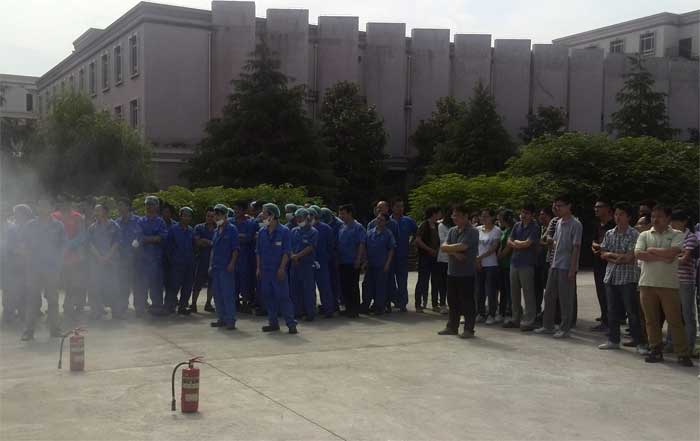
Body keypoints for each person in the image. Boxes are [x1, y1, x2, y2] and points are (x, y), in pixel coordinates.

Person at [635, 205, 693, 366]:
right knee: (651, 320)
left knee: (675, 321)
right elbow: (638, 254)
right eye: (653, 216)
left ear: (668, 218)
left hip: (669, 285)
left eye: (659, 216)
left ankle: (682, 353)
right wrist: (664, 256)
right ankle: (655, 349)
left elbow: (673, 252)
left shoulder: (677, 234)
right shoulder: (644, 235)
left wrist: (652, 250)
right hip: (647, 283)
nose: (655, 219)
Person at [597, 202, 646, 354]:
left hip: (628, 278)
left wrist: (611, 255)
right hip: (611, 276)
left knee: (632, 312)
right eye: (616, 214)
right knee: (612, 310)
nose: (618, 217)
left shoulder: (634, 234)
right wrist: (616, 256)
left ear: (629, 217)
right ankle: (613, 340)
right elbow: (602, 253)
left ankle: (639, 343)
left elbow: (629, 258)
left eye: (621, 214)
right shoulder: (609, 233)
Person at [536, 195, 582, 338]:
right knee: (549, 295)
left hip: (566, 266)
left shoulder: (576, 224)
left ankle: (565, 328)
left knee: (565, 298)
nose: (557, 208)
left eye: (560, 205)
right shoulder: (559, 222)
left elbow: (576, 247)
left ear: (569, 206)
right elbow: (555, 243)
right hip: (555, 263)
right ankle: (547, 325)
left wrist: (572, 269)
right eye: (556, 205)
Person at [20, 198, 66, 341]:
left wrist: (58, 264)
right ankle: (28, 331)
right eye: (41, 206)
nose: (44, 208)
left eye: (46, 206)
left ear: (51, 208)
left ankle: (55, 330)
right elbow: (24, 244)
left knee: (53, 300)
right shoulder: (30, 225)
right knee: (32, 300)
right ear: (37, 208)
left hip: (52, 269)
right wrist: (28, 260)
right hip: (34, 268)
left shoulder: (58, 226)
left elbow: (63, 246)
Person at [437, 204, 479, 338]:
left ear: (466, 216)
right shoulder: (452, 230)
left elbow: (463, 246)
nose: (454, 218)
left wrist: (450, 249)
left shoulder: (472, 231)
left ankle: (469, 329)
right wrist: (455, 253)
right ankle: (452, 327)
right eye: (453, 215)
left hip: (466, 272)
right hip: (452, 271)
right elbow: (443, 247)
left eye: (457, 215)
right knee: (452, 301)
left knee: (467, 301)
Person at [256, 203, 297, 333]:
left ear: (272, 215)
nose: (262, 215)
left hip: (278, 269)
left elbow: (286, 251)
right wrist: (258, 268)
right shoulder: (262, 232)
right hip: (265, 270)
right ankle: (273, 323)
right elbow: (258, 252)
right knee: (268, 297)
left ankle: (291, 324)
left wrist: (282, 268)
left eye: (264, 213)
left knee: (283, 297)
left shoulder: (284, 231)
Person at [667, 209, 698, 358]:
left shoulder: (690, 237)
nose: (672, 224)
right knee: (672, 313)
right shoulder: (672, 236)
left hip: (686, 281)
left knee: (687, 314)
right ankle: (671, 343)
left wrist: (670, 256)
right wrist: (673, 255)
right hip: (672, 279)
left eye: (675, 221)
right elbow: (670, 254)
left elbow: (684, 259)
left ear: (684, 222)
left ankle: (689, 346)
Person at [506, 204, 540, 331]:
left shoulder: (535, 227)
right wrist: (517, 243)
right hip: (514, 262)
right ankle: (516, 318)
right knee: (514, 292)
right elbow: (509, 241)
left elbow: (527, 243)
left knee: (528, 293)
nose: (523, 215)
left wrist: (516, 243)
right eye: (522, 212)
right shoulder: (517, 225)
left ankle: (529, 320)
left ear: (532, 215)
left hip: (527, 263)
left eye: (526, 213)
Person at [52, 198, 86, 317]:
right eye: (61, 203)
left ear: (70, 204)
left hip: (73, 256)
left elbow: (82, 235)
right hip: (56, 257)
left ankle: (68, 307)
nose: (64, 205)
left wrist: (70, 244)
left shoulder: (77, 217)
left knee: (71, 284)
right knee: (53, 284)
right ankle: (53, 308)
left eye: (66, 203)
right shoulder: (54, 216)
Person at [87, 204, 121, 319]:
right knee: (96, 287)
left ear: (105, 212)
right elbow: (90, 244)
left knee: (113, 286)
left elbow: (116, 243)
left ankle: (116, 311)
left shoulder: (114, 225)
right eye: (95, 210)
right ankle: (97, 311)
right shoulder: (92, 227)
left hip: (111, 262)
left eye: (98, 210)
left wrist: (107, 257)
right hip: (97, 262)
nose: (95, 213)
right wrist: (99, 257)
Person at [209, 204, 239, 330]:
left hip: (226, 267)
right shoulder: (216, 231)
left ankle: (230, 320)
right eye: (215, 215)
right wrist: (210, 265)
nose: (216, 217)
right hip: (216, 267)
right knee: (217, 294)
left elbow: (235, 249)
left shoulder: (231, 229)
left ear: (225, 215)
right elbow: (213, 250)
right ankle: (221, 318)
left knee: (227, 294)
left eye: (219, 215)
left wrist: (232, 263)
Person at [2, 204, 33, 322]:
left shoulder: (32, 227)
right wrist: (19, 251)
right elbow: (9, 245)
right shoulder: (12, 228)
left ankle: (22, 312)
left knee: (25, 289)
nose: (16, 216)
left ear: (26, 214)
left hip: (27, 263)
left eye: (19, 213)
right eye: (15, 214)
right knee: (10, 289)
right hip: (12, 263)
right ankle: (8, 313)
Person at [138, 196, 168, 314]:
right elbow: (138, 237)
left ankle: (157, 307)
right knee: (142, 284)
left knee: (156, 285)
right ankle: (142, 307)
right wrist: (154, 238)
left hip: (156, 259)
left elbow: (162, 237)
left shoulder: (160, 221)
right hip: (143, 259)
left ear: (157, 206)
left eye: (151, 204)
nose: (148, 207)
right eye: (147, 204)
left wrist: (147, 239)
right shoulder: (141, 221)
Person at [164, 207, 196, 316]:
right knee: (173, 286)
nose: (186, 218)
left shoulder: (191, 230)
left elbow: (194, 246)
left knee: (187, 286)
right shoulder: (173, 230)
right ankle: (169, 306)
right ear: (180, 216)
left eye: (189, 216)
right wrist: (172, 261)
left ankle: (183, 306)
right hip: (176, 264)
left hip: (189, 263)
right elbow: (168, 248)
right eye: (184, 215)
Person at [337, 204, 366, 318]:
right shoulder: (342, 227)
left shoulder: (358, 227)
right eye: (340, 214)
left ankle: (355, 309)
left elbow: (361, 244)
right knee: (344, 286)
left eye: (343, 214)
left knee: (353, 286)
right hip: (343, 261)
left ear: (350, 213)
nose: (341, 216)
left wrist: (358, 259)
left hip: (353, 261)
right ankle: (348, 307)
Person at [363, 213, 396, 315]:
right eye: (378, 219)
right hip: (370, 264)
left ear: (386, 222)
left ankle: (379, 307)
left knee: (380, 287)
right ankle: (365, 306)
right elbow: (365, 247)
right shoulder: (369, 233)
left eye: (381, 220)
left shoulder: (388, 234)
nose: (379, 221)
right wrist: (365, 261)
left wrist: (387, 263)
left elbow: (391, 249)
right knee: (367, 286)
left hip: (381, 264)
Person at [591, 199, 615, 332]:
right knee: (601, 292)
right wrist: (595, 246)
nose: (596, 209)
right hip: (598, 262)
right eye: (595, 207)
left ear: (607, 208)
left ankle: (612, 322)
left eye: (599, 207)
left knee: (610, 294)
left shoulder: (613, 225)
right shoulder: (598, 225)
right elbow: (594, 241)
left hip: (611, 263)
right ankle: (605, 319)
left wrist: (601, 247)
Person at [115, 198, 143, 316]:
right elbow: (114, 239)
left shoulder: (138, 220)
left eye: (122, 205)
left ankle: (139, 307)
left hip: (136, 258)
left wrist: (138, 241)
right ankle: (122, 306)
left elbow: (142, 234)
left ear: (128, 207)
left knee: (137, 284)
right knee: (123, 283)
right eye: (119, 206)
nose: (120, 208)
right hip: (122, 259)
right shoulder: (117, 222)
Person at [290, 208, 319, 321]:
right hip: (294, 264)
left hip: (306, 264)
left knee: (308, 290)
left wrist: (298, 256)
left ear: (307, 218)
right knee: (295, 289)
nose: (298, 220)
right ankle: (297, 311)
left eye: (300, 218)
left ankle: (310, 313)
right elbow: (289, 245)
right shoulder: (294, 231)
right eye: (297, 218)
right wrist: (293, 256)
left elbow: (310, 247)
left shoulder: (313, 232)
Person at [389, 198, 417, 312]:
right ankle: (395, 299)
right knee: (390, 281)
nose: (400, 209)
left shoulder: (408, 221)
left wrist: (412, 242)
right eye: (397, 206)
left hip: (403, 254)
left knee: (402, 281)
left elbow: (417, 233)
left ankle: (402, 303)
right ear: (392, 208)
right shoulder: (387, 221)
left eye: (402, 206)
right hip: (390, 256)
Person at [475, 208, 502, 324]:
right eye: (482, 216)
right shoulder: (477, 229)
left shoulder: (496, 230)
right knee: (479, 289)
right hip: (478, 263)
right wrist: (477, 260)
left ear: (492, 217)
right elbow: (474, 246)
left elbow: (493, 247)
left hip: (491, 264)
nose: (484, 218)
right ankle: (480, 313)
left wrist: (480, 257)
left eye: (486, 216)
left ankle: (491, 314)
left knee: (491, 290)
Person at [414, 205, 442, 312]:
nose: (440, 215)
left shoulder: (438, 226)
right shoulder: (424, 225)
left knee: (435, 281)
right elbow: (418, 240)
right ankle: (418, 304)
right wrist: (429, 249)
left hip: (435, 257)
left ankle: (435, 304)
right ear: (434, 214)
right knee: (422, 281)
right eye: (439, 213)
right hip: (425, 256)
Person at [232, 201, 258, 313]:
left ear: (244, 211)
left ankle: (246, 302)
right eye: (235, 209)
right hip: (232, 256)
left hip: (245, 256)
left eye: (238, 209)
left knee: (245, 280)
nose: (236, 211)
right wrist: (241, 236)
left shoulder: (251, 224)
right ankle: (235, 301)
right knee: (233, 280)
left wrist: (236, 236)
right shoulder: (230, 222)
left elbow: (248, 238)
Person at [310, 206, 336, 318]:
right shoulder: (306, 228)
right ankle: (311, 310)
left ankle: (328, 309)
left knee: (324, 287)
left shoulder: (326, 228)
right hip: (309, 261)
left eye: (311, 215)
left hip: (322, 262)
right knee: (309, 288)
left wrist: (326, 258)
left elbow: (331, 246)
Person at [190, 207, 216, 313]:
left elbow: (217, 244)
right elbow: (197, 242)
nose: (209, 218)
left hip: (213, 260)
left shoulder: (217, 229)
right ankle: (193, 304)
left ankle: (208, 303)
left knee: (212, 284)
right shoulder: (199, 227)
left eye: (212, 216)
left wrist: (205, 241)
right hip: (201, 260)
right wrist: (210, 242)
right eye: (208, 216)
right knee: (197, 283)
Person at [321, 207, 343, 311]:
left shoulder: (339, 225)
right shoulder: (324, 224)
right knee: (328, 282)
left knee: (335, 281)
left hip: (335, 255)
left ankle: (336, 303)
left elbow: (338, 242)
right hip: (327, 256)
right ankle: (330, 303)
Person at [535, 207, 553, 321]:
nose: (541, 217)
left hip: (547, 262)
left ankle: (548, 312)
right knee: (537, 288)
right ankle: (537, 310)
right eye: (540, 214)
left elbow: (548, 243)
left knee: (548, 289)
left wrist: (541, 242)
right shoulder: (539, 228)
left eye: (543, 214)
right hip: (537, 262)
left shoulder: (552, 228)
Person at [496, 209, 515, 323]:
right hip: (502, 264)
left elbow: (508, 247)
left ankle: (509, 311)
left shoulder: (512, 230)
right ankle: (502, 311)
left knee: (509, 290)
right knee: (503, 289)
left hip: (508, 263)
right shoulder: (505, 230)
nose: (498, 220)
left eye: (500, 218)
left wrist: (500, 256)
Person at [434, 209, 452, 314]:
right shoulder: (442, 226)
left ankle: (452, 304)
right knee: (442, 284)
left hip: (453, 259)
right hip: (443, 258)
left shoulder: (456, 226)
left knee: (451, 284)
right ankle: (442, 304)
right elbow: (442, 240)